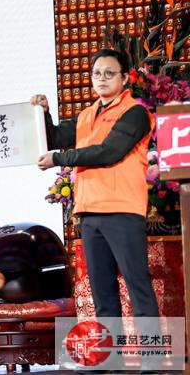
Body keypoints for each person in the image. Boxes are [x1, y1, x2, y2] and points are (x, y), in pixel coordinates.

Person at [31, 49, 159, 321]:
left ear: (125, 78)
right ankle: (110, 348)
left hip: (122, 211)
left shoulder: (134, 112)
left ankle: (152, 348)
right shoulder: (87, 115)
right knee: (103, 295)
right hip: (89, 212)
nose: (102, 78)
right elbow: (54, 138)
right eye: (97, 73)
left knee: (138, 288)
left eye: (109, 73)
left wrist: (59, 159)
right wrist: (44, 113)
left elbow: (108, 152)